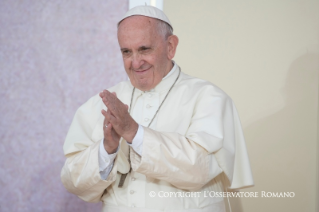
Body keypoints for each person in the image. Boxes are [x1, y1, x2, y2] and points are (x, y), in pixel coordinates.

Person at [61, 5, 254, 212]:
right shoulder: (105, 102)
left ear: (170, 46)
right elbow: (72, 181)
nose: (135, 62)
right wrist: (106, 150)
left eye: (144, 49)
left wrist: (134, 133)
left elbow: (201, 168)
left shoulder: (208, 97)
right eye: (127, 52)